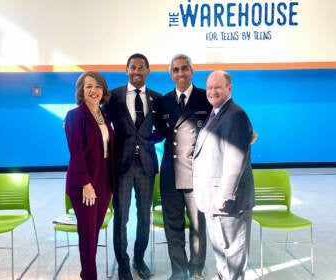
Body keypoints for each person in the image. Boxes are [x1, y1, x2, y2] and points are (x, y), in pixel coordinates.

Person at [192, 70, 255, 280]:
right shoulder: (217, 113)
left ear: (229, 88)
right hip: (214, 202)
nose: (212, 91)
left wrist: (224, 195)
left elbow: (235, 159)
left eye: (217, 87)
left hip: (227, 204)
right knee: (222, 255)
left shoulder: (235, 115)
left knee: (233, 257)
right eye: (209, 87)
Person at [106, 53, 161, 280]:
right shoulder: (113, 97)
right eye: (133, 68)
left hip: (147, 167)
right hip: (122, 166)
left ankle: (139, 259)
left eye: (141, 68)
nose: (137, 72)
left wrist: (148, 140)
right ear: (126, 70)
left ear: (148, 71)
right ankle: (123, 265)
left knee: (144, 218)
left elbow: (166, 128)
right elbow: (99, 121)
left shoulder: (157, 99)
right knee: (121, 218)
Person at [155, 54, 211, 280]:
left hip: (197, 173)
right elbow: (158, 133)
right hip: (170, 173)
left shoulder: (204, 97)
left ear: (192, 71)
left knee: (198, 227)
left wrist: (243, 134)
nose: (180, 73)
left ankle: (196, 268)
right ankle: (178, 271)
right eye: (176, 70)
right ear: (171, 74)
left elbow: (220, 126)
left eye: (184, 69)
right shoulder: (164, 101)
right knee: (173, 227)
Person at [64, 71, 115, 280]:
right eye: (88, 87)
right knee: (87, 235)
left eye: (97, 86)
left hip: (105, 181)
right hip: (85, 183)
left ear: (103, 90)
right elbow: (76, 153)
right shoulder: (75, 116)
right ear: (81, 91)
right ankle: (90, 277)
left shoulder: (105, 116)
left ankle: (87, 273)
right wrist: (86, 183)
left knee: (93, 232)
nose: (93, 90)